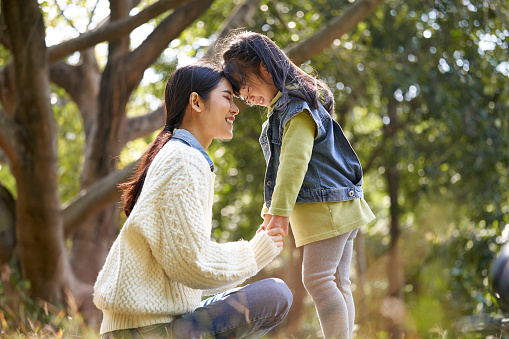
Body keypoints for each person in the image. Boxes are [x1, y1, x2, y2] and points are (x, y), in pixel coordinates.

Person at [93, 63, 292, 339]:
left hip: (149, 325)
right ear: (196, 102)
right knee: (275, 294)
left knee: (267, 294)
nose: (235, 109)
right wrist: (256, 251)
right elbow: (193, 264)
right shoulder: (183, 161)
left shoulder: (181, 155)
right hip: (146, 331)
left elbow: (187, 270)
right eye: (227, 98)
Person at [221, 31, 376, 339]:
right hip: (341, 207)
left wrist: (277, 213)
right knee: (337, 282)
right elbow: (282, 170)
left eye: (246, 87)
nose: (247, 97)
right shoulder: (289, 106)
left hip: (328, 210)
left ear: (265, 69)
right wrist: (271, 212)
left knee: (318, 281)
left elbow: (293, 166)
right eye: (240, 94)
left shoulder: (295, 109)